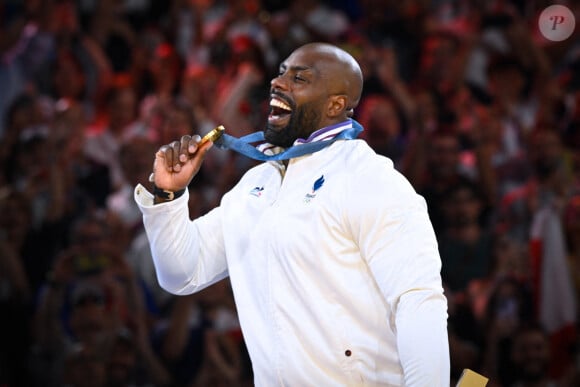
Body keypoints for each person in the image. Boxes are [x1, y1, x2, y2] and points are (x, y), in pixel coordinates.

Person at [135, 42, 450, 385]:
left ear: (336, 104)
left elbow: (418, 301)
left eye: (300, 78)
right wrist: (169, 196)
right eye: (282, 71)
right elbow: (181, 272)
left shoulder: (370, 179)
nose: (278, 82)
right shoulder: (255, 185)